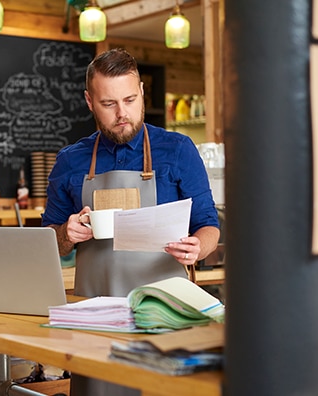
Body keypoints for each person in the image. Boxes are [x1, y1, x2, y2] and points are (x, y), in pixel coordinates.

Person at [41, 48, 220, 395]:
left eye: (130, 99)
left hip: (164, 313)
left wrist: (198, 247)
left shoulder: (178, 149)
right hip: (94, 318)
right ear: (90, 101)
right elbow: (49, 240)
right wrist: (66, 233)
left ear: (141, 91)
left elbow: (209, 225)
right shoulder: (70, 160)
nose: (122, 113)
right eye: (109, 104)